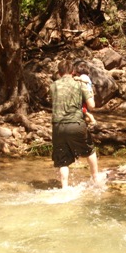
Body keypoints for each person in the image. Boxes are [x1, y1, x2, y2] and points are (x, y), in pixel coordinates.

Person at [50, 59, 102, 189]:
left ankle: (65, 188)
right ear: (73, 71)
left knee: (62, 159)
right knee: (89, 150)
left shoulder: (53, 86)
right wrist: (88, 89)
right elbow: (92, 105)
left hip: (57, 126)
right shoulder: (80, 84)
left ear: (60, 72)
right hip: (75, 124)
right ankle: (96, 179)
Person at [73, 61, 97, 126]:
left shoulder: (83, 76)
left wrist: (79, 79)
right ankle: (87, 120)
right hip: (87, 96)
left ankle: (91, 118)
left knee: (83, 109)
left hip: (87, 96)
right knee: (84, 110)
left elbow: (85, 80)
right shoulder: (86, 76)